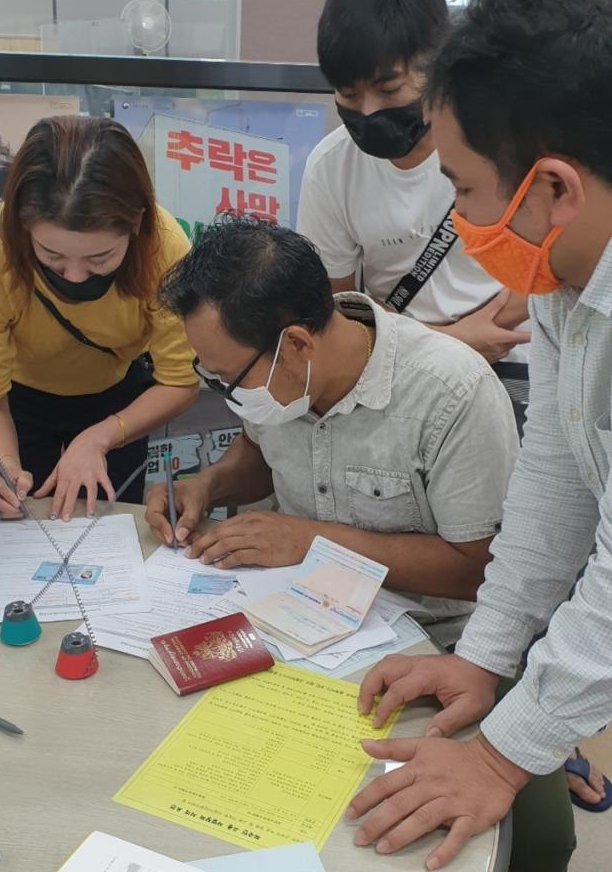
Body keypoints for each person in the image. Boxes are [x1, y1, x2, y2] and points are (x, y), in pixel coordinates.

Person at [347, 0, 612, 869]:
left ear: (554, 188)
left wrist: (501, 757)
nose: (457, 217)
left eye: (461, 190)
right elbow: (556, 477)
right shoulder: (564, 274)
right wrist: (485, 654)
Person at [145, 218, 518, 647]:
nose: (227, 391)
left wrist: (313, 543)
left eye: (228, 377)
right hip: (290, 615)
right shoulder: (279, 375)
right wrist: (206, 487)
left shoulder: (451, 392)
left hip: (424, 642)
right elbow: (261, 451)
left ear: (297, 345)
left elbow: (479, 569)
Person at [297, 0, 531, 423]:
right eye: (348, 94)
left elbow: (546, 267)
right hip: (403, 365)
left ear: (438, 66)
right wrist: (452, 341)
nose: (368, 111)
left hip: (511, 356)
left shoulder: (499, 142)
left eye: (388, 89)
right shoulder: (331, 168)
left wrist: (479, 336)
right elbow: (340, 309)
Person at [0, 115, 198, 521]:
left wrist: (101, 437)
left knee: (110, 521)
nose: (76, 276)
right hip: (17, 401)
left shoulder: (164, 249)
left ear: (135, 223)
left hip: (119, 397)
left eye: (100, 258)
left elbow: (180, 381)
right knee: (21, 509)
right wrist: (5, 467)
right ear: (24, 224)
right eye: (52, 256)